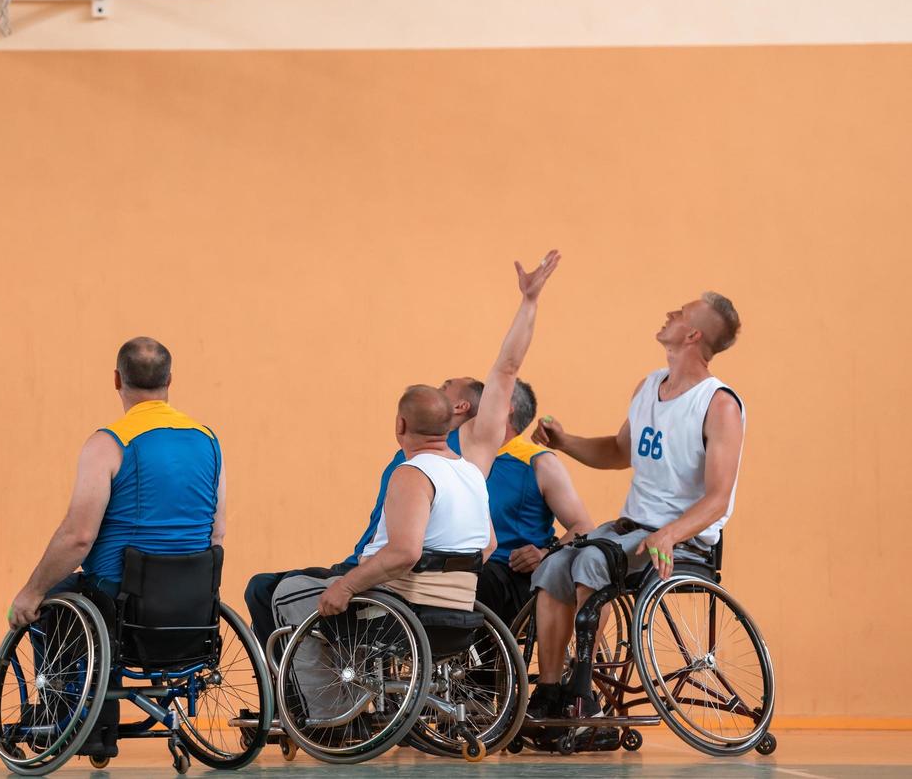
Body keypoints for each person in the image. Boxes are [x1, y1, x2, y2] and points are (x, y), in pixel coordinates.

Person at [525, 293, 745, 722]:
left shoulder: (719, 405)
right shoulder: (648, 387)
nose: (670, 313)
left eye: (680, 313)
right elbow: (619, 450)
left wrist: (670, 532)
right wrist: (566, 442)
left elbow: (718, 497)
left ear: (693, 334)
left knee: (591, 561)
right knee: (552, 567)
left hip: (683, 542)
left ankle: (582, 692)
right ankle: (550, 693)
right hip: (632, 530)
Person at [6, 336, 224, 760]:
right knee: (81, 596)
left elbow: (78, 537)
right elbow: (216, 535)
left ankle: (70, 716)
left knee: (52, 598)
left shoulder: (109, 443)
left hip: (118, 602)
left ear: (117, 380)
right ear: (170, 380)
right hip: (192, 607)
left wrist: (31, 592)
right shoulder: (208, 441)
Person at [312, 251, 561, 620]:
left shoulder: (472, 448)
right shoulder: (420, 456)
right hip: (374, 568)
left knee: (270, 589)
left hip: (398, 585)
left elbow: (506, 370)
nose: (437, 386)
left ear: (459, 408)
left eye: (445, 385)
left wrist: (529, 301)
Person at [242, 375, 483, 647]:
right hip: (458, 612)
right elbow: (487, 546)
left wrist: (347, 587)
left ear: (400, 424)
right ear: (446, 426)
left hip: (398, 608)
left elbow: (405, 553)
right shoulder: (472, 474)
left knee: (279, 591)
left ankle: (298, 690)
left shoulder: (413, 473)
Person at [474, 379, 595, 626]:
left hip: (511, 575)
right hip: (469, 567)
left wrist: (545, 554)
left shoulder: (538, 462)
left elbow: (583, 525)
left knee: (477, 580)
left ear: (506, 406)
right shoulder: (463, 456)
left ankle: (483, 665)